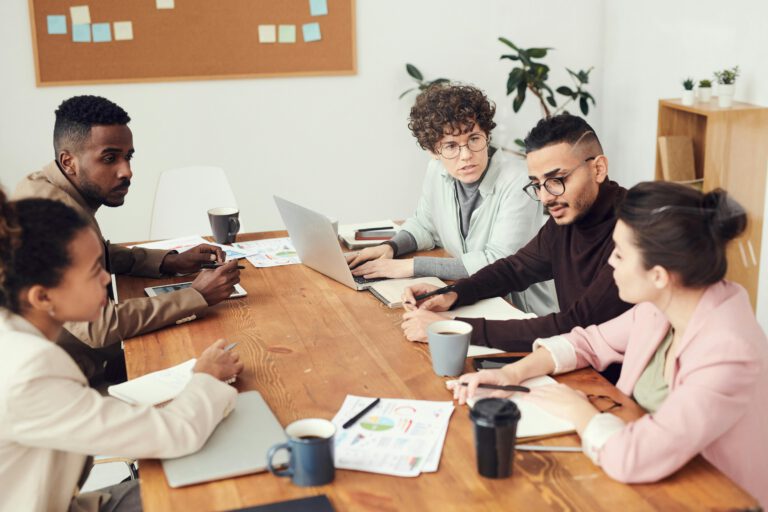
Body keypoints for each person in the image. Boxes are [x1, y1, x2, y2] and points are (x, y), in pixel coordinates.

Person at [450, 181, 768, 507]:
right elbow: (588, 341)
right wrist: (512, 374)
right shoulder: (664, 305)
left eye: (619, 253)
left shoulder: (728, 353)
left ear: (659, 275)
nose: (611, 264)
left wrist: (577, 410)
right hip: (648, 473)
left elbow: (634, 457)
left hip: (705, 496)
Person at [0, 190, 244, 511]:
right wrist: (206, 377)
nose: (106, 278)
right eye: (92, 272)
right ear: (42, 297)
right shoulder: (29, 369)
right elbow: (176, 434)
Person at [13, 95, 241, 382]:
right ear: (68, 161)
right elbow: (99, 327)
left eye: (128, 157)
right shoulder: (48, 219)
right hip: (78, 382)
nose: (126, 171)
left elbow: (94, 255)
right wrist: (195, 296)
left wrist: (170, 261)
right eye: (110, 158)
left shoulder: (49, 188)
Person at [401, 114, 631, 355]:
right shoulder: (568, 217)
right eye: (537, 184)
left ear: (599, 168)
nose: (545, 197)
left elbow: (575, 324)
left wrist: (453, 327)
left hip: (615, 381)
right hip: (577, 359)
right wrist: (453, 294)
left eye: (557, 179)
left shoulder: (633, 232)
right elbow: (514, 269)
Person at [346, 84, 556, 316]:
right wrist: (390, 247)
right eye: (450, 146)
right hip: (471, 296)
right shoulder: (437, 170)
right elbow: (425, 224)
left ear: (487, 135)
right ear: (433, 151)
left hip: (518, 310)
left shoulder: (518, 180)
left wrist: (408, 267)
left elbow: (498, 261)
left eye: (474, 139)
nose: (466, 155)